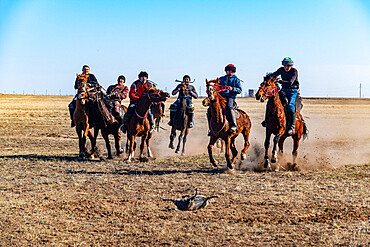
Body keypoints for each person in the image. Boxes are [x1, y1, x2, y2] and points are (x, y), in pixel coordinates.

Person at [266, 57, 299, 135]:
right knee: (270, 103)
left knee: (290, 105)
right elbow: (274, 75)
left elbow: (290, 82)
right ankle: (266, 120)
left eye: (288, 66)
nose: (286, 67)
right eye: (285, 66)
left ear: (291, 66)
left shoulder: (294, 71)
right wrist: (269, 79)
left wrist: (279, 81)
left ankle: (292, 126)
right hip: (283, 90)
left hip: (292, 91)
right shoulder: (281, 70)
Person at [208, 64, 242, 133]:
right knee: (210, 109)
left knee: (229, 107)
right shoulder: (221, 79)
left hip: (230, 97)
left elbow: (239, 90)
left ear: (234, 72)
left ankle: (233, 125)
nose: (229, 72)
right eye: (228, 71)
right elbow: (216, 86)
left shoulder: (236, 80)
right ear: (226, 71)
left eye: (231, 71)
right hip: (221, 97)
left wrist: (232, 88)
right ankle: (211, 128)